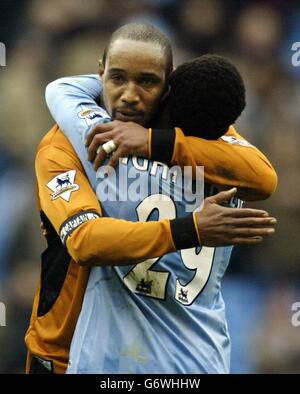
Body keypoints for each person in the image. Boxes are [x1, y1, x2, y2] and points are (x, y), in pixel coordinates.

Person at [26, 24, 277, 374]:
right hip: (64, 352)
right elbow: (85, 242)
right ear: (100, 74)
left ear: (168, 86)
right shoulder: (63, 146)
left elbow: (265, 177)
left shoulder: (201, 138)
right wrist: (190, 229)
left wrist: (151, 142)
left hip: (160, 354)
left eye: (146, 81)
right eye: (117, 78)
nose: (129, 95)